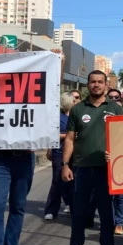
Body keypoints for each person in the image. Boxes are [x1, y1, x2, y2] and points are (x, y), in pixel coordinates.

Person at [61, 70, 123, 245]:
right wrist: (65, 164)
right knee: (79, 214)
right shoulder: (78, 109)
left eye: (100, 82)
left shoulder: (116, 109)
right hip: (82, 169)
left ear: (106, 85)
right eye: (93, 82)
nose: (96, 85)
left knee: (107, 215)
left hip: (107, 171)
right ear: (87, 85)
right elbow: (70, 139)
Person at [44, 92, 76, 221]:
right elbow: (52, 134)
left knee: (74, 182)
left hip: (75, 153)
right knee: (57, 180)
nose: (75, 102)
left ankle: (74, 207)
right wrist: (68, 136)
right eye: (73, 100)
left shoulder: (76, 115)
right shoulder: (57, 117)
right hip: (59, 152)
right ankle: (51, 210)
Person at [105, 87, 123, 234]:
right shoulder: (103, 122)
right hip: (107, 162)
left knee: (121, 196)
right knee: (109, 195)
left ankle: (119, 223)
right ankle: (110, 220)